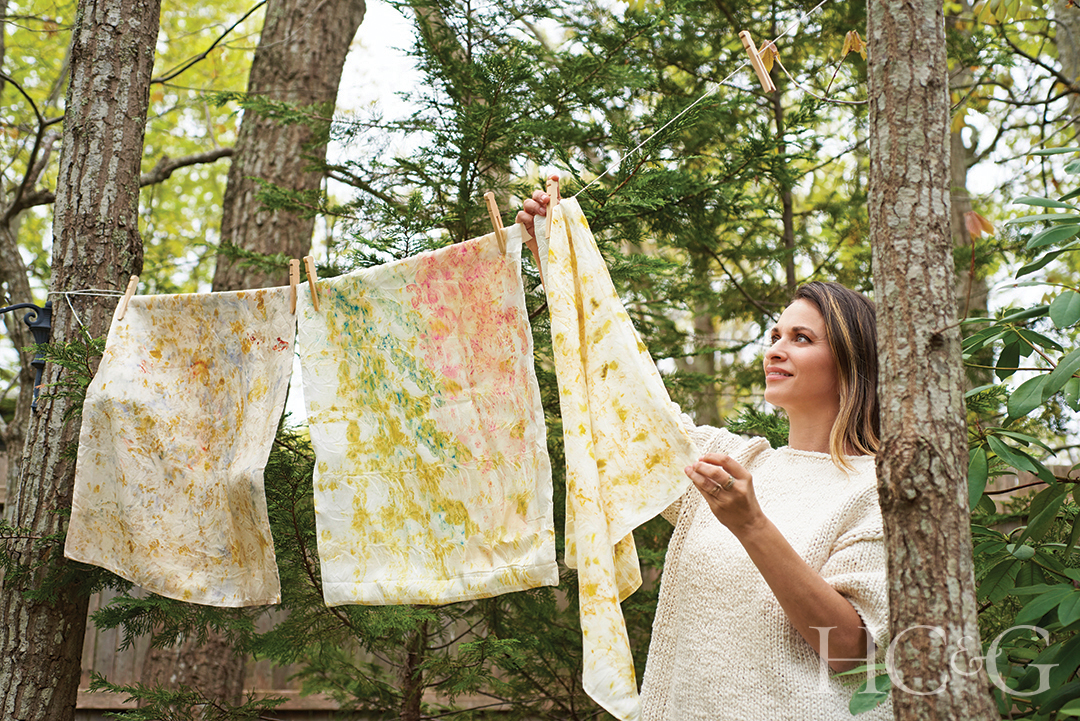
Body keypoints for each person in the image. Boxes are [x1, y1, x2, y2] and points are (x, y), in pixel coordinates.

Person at [518, 184, 893, 720]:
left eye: (802, 339)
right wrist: (554, 256)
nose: (776, 350)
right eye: (775, 334)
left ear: (852, 362)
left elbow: (853, 652)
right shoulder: (731, 458)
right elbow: (622, 398)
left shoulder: (878, 488)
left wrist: (752, 525)